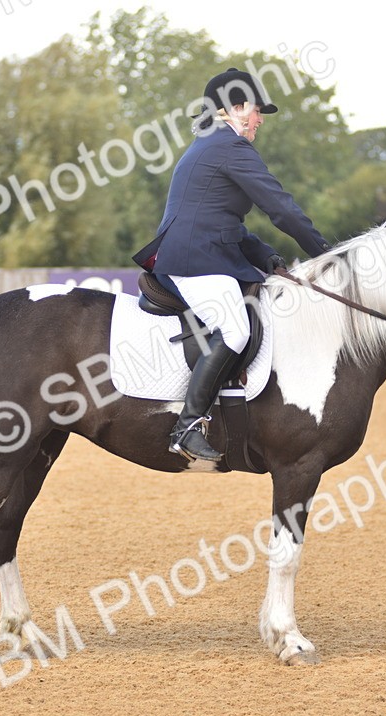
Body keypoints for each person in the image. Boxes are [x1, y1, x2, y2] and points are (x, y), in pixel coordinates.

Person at [133, 68, 331, 462]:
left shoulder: (212, 144)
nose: (259, 120)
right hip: (195, 259)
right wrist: (326, 253)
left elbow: (221, 222)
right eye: (256, 111)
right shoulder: (229, 147)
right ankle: (187, 426)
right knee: (235, 329)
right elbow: (282, 209)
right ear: (234, 108)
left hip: (202, 251)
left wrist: (265, 256)